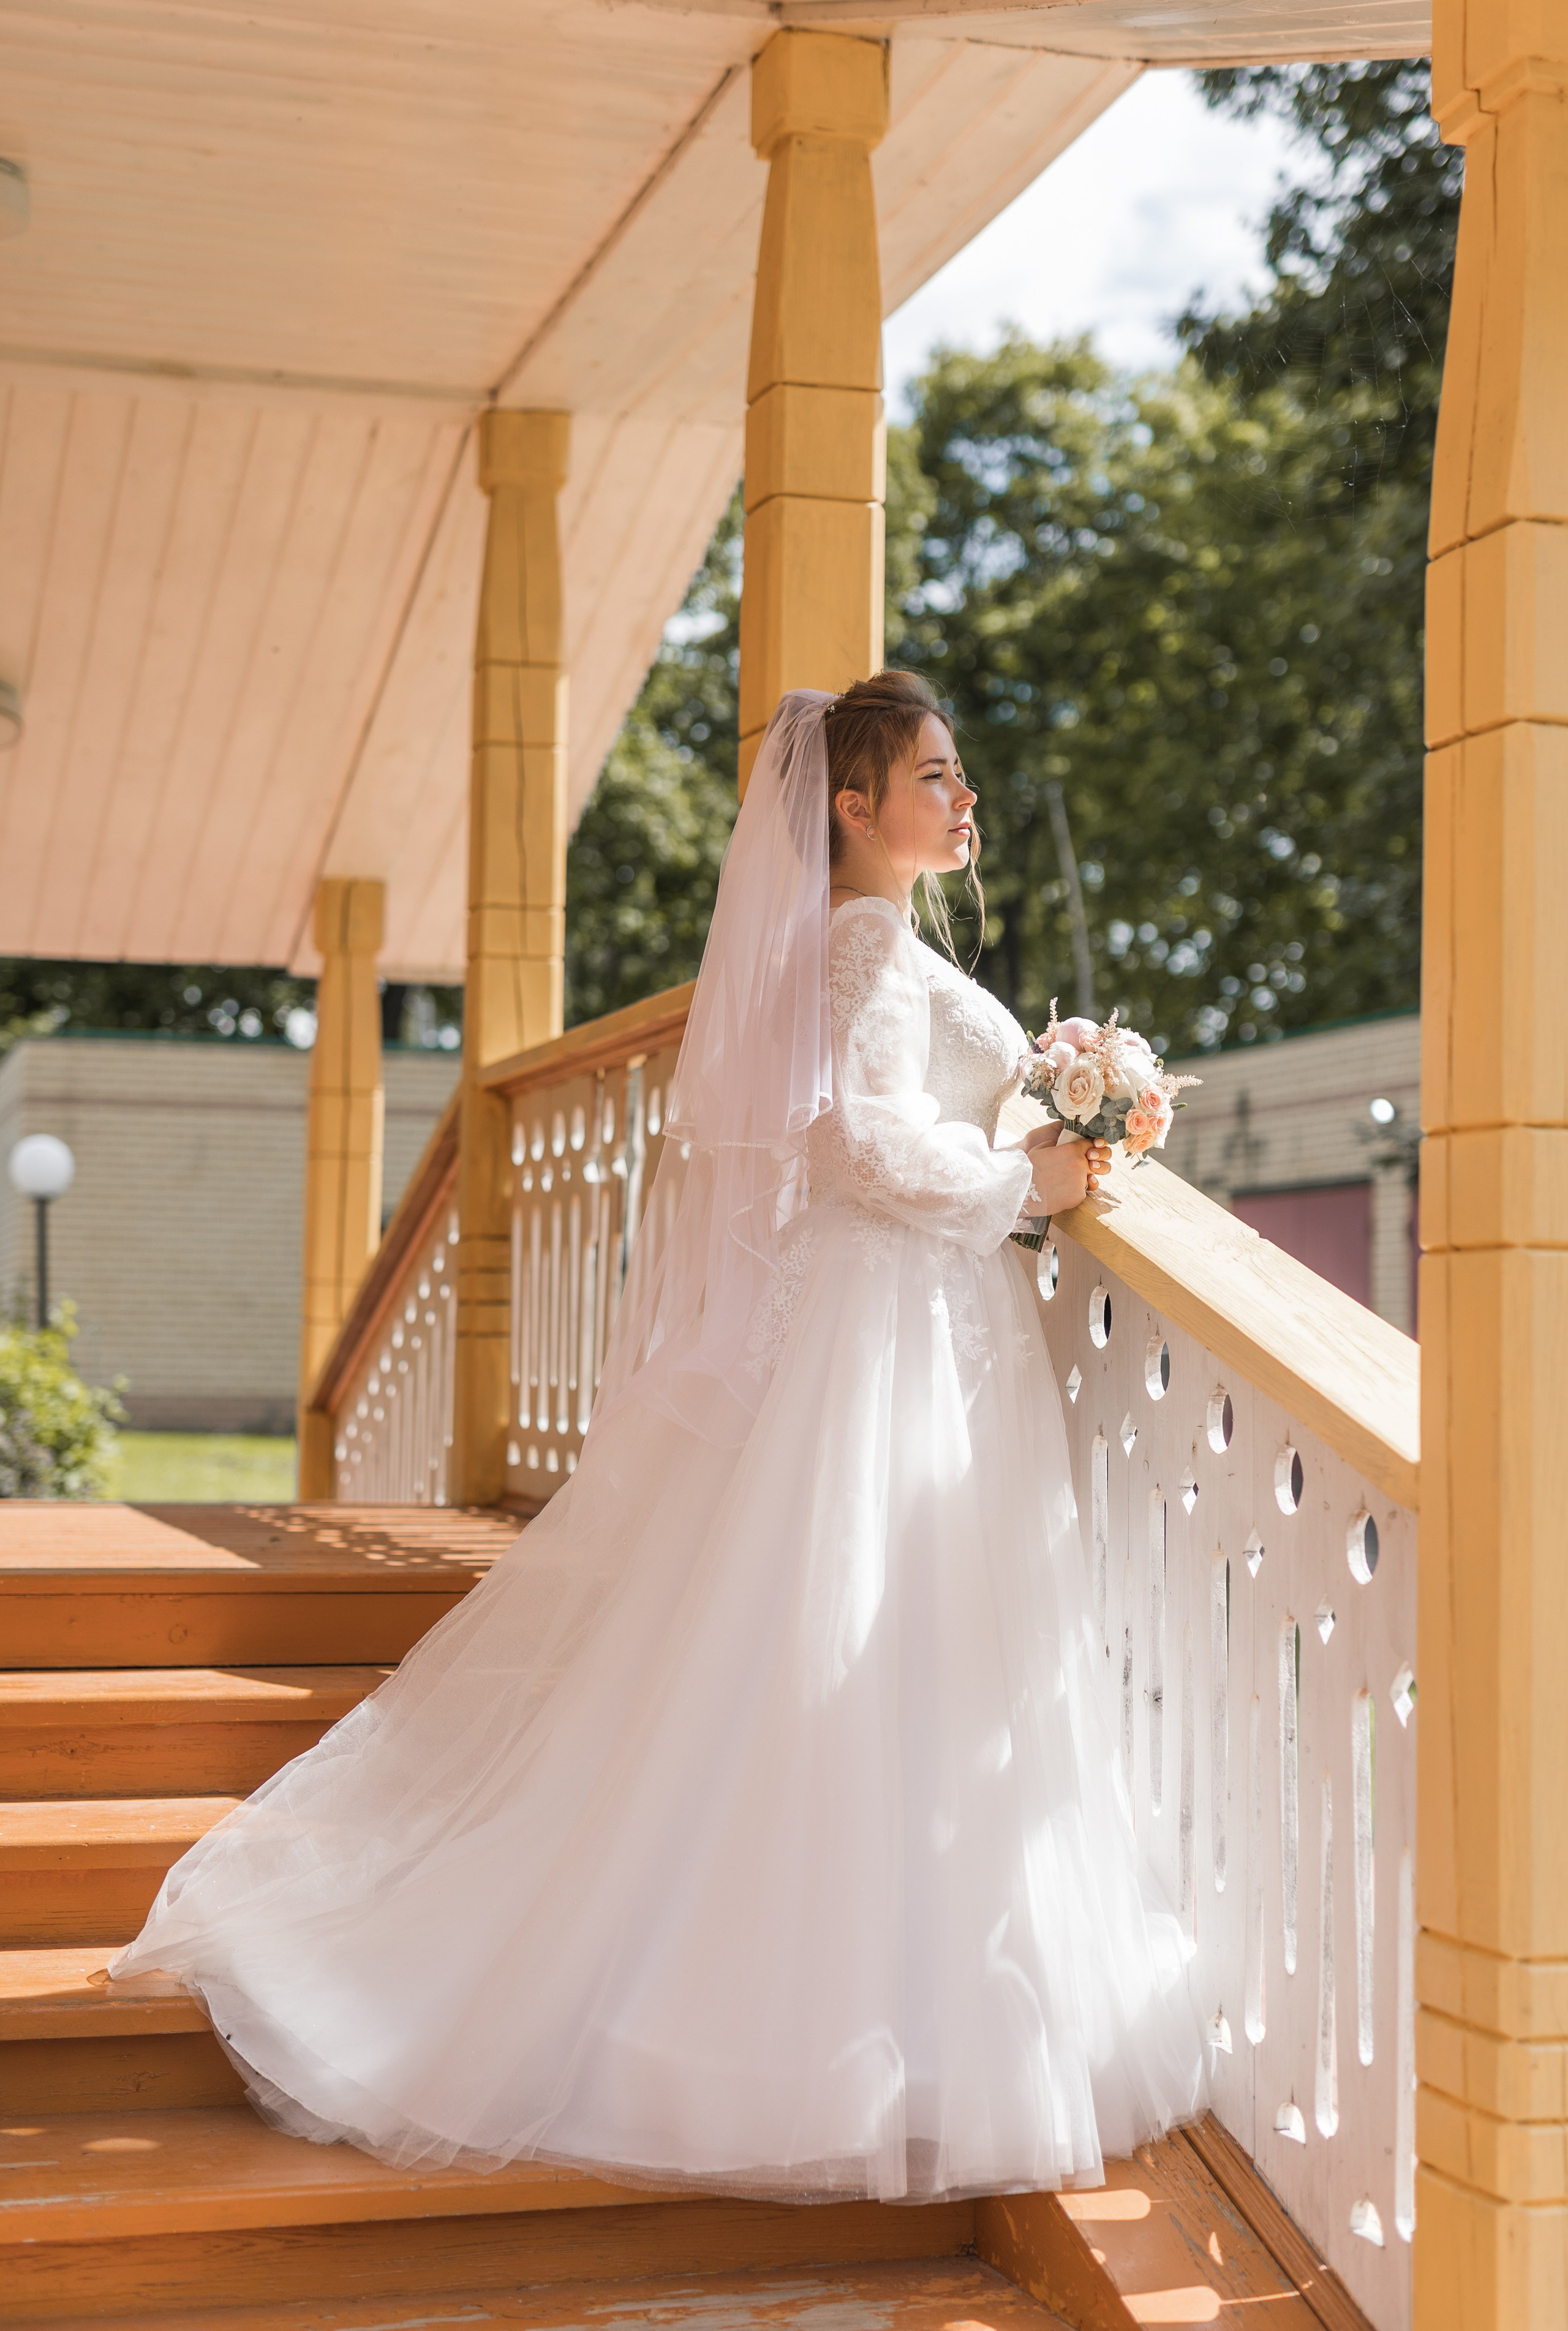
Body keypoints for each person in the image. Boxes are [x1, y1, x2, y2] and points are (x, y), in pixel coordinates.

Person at [112, 673, 1205, 2201]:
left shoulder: (879, 943)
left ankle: (912, 2014)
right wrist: (1026, 1178)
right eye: (934, 776)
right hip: (886, 1331)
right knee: (857, 1651)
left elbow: (891, 1119)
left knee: (904, 1652)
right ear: (851, 805)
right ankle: (833, 2029)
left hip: (920, 1320)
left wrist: (1059, 1112)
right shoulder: (859, 940)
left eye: (960, 776)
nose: (963, 800)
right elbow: (850, 1141)